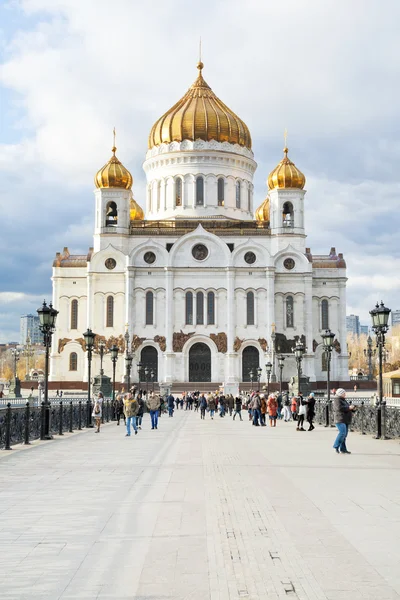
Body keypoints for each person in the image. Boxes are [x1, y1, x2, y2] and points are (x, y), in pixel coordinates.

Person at [333, 388, 355, 454]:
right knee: (342, 433)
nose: (345, 394)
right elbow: (339, 408)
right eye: (344, 393)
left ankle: (343, 449)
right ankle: (336, 445)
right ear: (340, 394)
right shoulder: (337, 400)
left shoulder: (343, 400)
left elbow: (347, 408)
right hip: (340, 419)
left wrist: (352, 409)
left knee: (344, 435)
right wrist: (349, 408)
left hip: (345, 419)